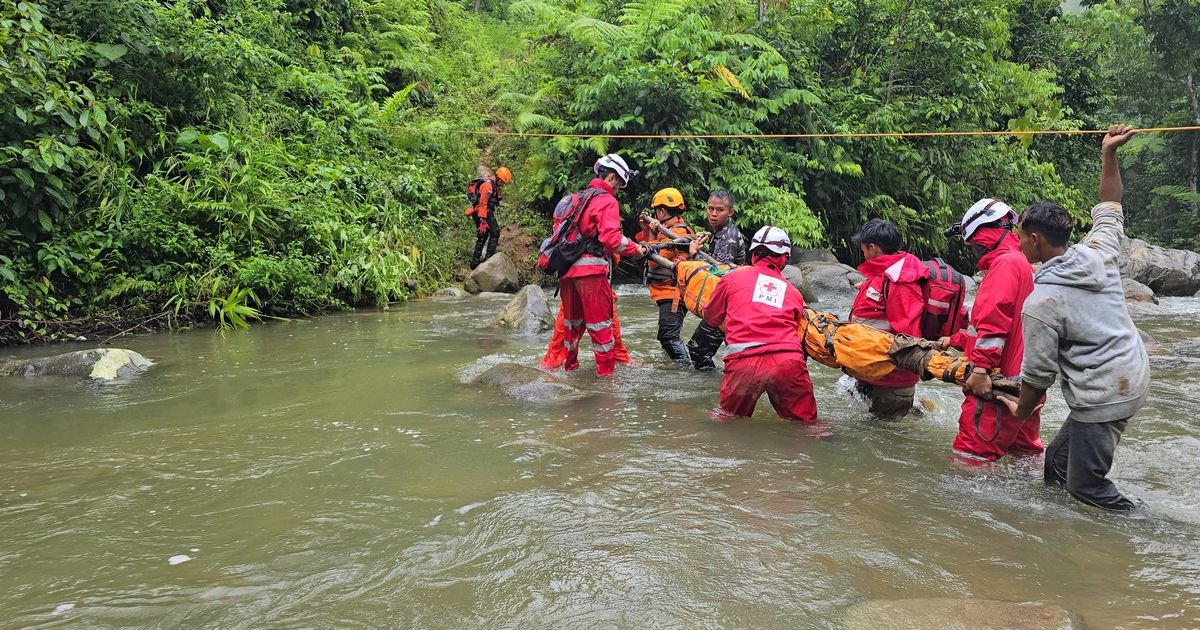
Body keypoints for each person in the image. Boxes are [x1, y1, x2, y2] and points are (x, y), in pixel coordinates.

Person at [999, 124, 1149, 511]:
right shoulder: (1097, 251)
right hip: (1131, 374)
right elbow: (1110, 206)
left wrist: (1019, 409)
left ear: (1035, 239)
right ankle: (1057, 527)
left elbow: (1036, 377)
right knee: (1057, 463)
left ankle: (1151, 536)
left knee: (1087, 487)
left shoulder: (1043, 302)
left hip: (1105, 394)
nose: (1016, 242)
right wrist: (1109, 153)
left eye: (1019, 236)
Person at [942, 198, 1043, 461]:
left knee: (971, 460)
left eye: (972, 243)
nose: (973, 251)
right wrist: (955, 339)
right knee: (1024, 459)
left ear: (984, 235)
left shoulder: (1005, 264)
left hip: (998, 388)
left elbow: (994, 321)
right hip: (1027, 387)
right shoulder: (1023, 264)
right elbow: (1011, 327)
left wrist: (980, 370)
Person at [701, 226, 818, 422]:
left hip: (744, 360)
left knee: (727, 421)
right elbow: (796, 330)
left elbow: (711, 317)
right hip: (788, 361)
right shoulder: (795, 294)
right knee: (808, 426)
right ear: (783, 259)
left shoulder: (731, 278)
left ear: (753, 254)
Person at [554, 154, 646, 376]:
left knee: (571, 327)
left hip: (566, 273)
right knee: (602, 330)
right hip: (591, 273)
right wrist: (636, 250)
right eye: (619, 186)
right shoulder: (606, 200)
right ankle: (607, 382)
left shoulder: (572, 200)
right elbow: (612, 240)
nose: (618, 191)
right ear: (612, 178)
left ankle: (569, 370)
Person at [848, 219, 925, 417]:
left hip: (891, 381)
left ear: (873, 248)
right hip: (874, 371)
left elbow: (908, 334)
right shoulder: (885, 273)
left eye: (863, 248)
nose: (863, 253)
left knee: (884, 438)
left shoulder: (900, 281)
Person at [686, 190, 747, 371]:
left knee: (698, 350)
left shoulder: (729, 237)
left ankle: (711, 389)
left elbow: (720, 272)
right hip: (727, 303)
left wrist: (695, 253)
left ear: (730, 212)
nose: (713, 214)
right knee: (733, 351)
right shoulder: (720, 232)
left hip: (727, 305)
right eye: (710, 209)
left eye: (719, 210)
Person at [639, 188, 695, 365]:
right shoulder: (668, 230)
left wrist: (654, 232)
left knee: (668, 337)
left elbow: (655, 261)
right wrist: (648, 229)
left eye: (657, 210)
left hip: (674, 294)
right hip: (666, 293)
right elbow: (647, 247)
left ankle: (686, 371)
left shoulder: (677, 233)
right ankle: (676, 366)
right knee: (667, 338)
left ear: (662, 211)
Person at [541, 288, 631, 368]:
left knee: (558, 348)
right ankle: (609, 372)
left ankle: (555, 369)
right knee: (613, 343)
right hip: (598, 290)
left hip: (574, 290)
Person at [468, 166, 512, 269]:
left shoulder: (495, 185)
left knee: (484, 235)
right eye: (502, 182)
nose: (503, 185)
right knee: (494, 232)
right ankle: (488, 259)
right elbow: (483, 203)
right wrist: (483, 221)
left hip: (485, 212)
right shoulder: (488, 186)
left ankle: (475, 263)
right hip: (481, 213)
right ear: (498, 178)